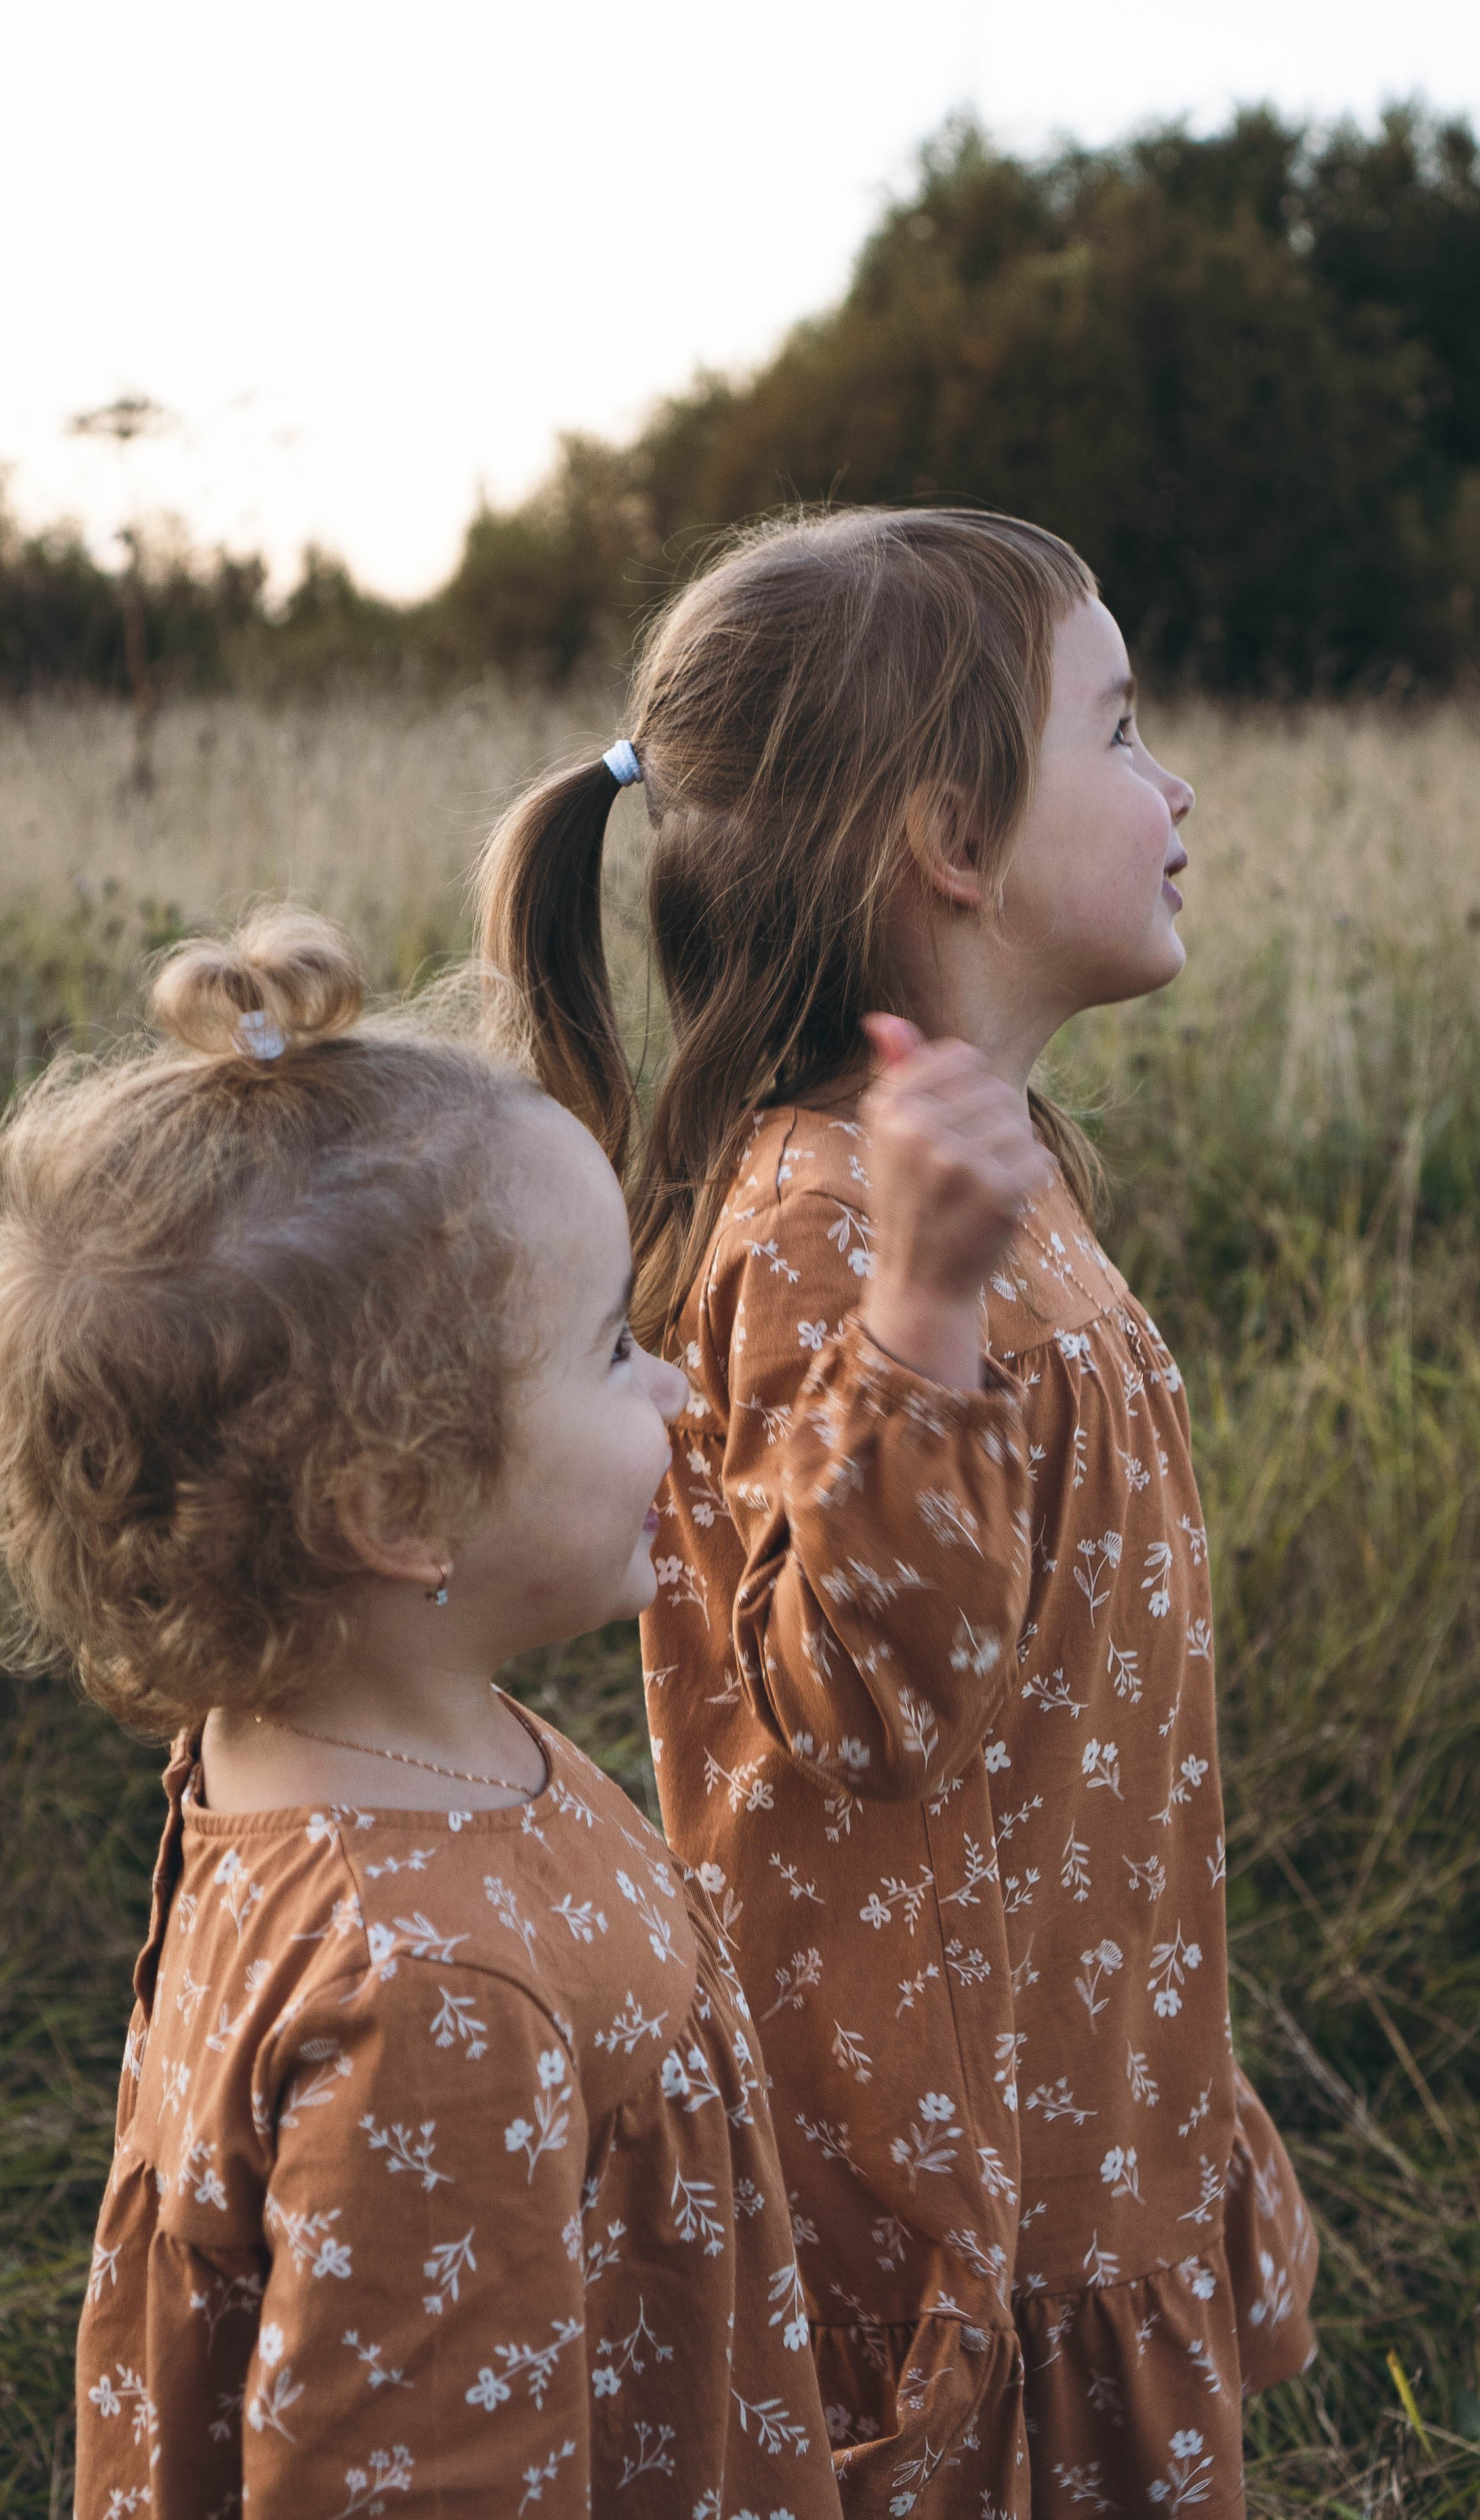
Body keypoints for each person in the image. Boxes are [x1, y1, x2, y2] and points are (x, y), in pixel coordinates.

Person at [477, 507, 1321, 2517]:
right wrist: (924, 1315)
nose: (1175, 781)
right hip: (939, 2153)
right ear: (953, 839)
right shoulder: (820, 1224)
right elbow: (854, 1703)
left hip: (1082, 2059)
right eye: (1119, 733)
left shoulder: (977, 1173)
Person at [0, 910, 844, 2520]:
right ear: (402, 1503)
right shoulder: (424, 2002)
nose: (672, 1384)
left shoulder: (341, 1745)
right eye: (608, 1349)